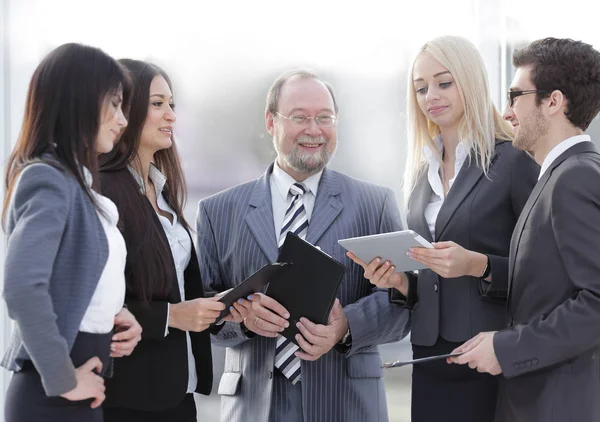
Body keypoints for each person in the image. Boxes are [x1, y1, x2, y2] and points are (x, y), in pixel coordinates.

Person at [196, 69, 411, 422]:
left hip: (346, 402)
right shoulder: (219, 211)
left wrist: (345, 326)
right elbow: (204, 312)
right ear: (271, 121)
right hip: (254, 405)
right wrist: (244, 321)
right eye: (299, 118)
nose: (314, 130)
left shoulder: (375, 203)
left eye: (324, 118)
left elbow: (402, 306)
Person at [348, 35, 539, 421]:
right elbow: (431, 275)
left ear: (469, 80)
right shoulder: (422, 170)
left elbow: (541, 268)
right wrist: (401, 284)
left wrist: (478, 265)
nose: (430, 95)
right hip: (430, 353)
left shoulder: (514, 160)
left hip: (491, 355)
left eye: (444, 82)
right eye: (421, 88)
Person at [450, 37, 600, 422]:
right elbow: (550, 285)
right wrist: (479, 267)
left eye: (516, 95)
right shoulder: (559, 176)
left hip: (557, 405)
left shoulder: (575, 178)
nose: (507, 110)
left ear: (553, 102)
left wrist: (507, 348)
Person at [1, 42, 142, 422]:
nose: (123, 119)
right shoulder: (48, 179)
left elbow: (78, 277)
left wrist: (117, 312)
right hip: (53, 396)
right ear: (80, 100)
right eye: (114, 103)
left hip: (80, 389)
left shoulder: (79, 187)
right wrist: (63, 381)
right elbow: (21, 287)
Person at [99, 59, 245, 422]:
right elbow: (92, 302)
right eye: (158, 104)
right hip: (129, 397)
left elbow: (173, 285)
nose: (171, 116)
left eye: (172, 105)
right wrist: (172, 316)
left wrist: (219, 307)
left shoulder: (162, 191)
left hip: (179, 392)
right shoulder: (102, 189)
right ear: (125, 109)